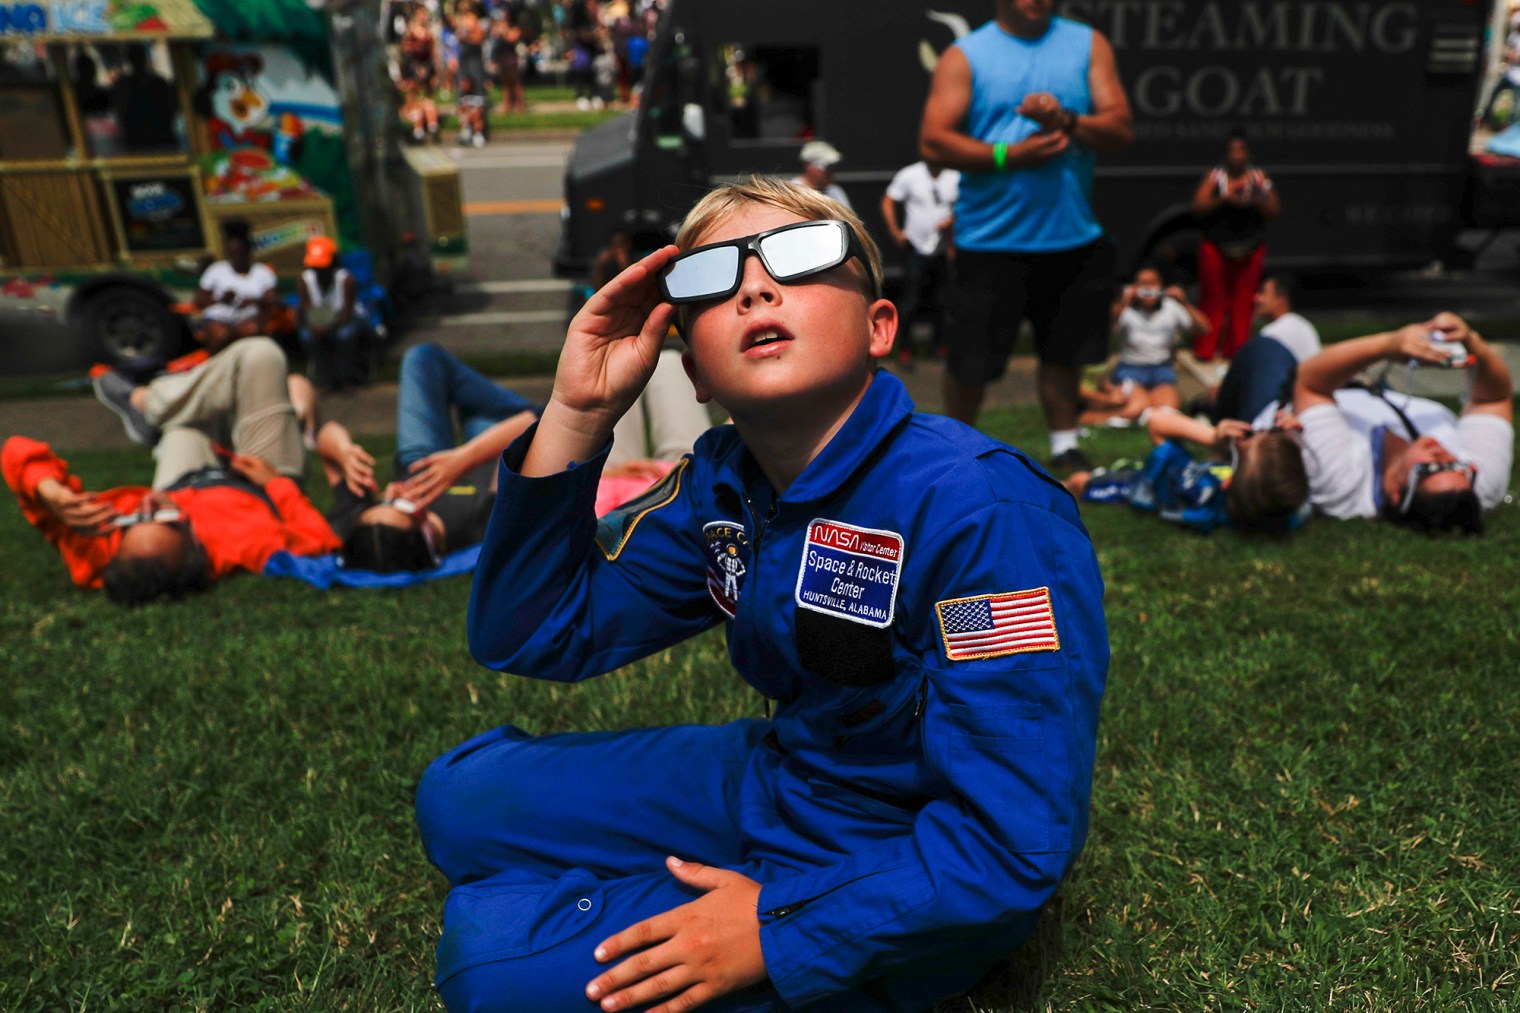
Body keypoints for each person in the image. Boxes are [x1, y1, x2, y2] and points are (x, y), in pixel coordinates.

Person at [416, 177, 1109, 1011]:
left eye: (803, 255)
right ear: (696, 371)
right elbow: (532, 630)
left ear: (879, 326)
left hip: (898, 855)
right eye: (711, 277)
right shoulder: (724, 482)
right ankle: (643, 886)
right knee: (458, 798)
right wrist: (576, 409)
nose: (755, 285)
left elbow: (1015, 839)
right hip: (783, 778)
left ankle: (613, 912)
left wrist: (776, 928)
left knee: (482, 969)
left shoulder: (984, 512)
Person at [919, 0, 1133, 474]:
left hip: (1072, 237)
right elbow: (933, 140)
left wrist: (1068, 122)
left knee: (1064, 354)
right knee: (971, 364)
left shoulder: (1087, 43)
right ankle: (959, 451)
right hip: (989, 241)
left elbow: (1120, 127)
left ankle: (1064, 444)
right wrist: (1007, 156)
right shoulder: (966, 55)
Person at [320, 342, 707, 571]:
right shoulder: (477, 527)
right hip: (512, 442)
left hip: (430, 454)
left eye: (387, 501)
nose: (398, 494)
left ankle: (488, 417)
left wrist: (344, 450)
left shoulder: (358, 522)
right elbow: (535, 426)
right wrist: (462, 460)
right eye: (405, 509)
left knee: (423, 358)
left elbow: (325, 437)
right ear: (427, 539)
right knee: (659, 363)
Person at [9, 339, 338, 605]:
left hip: (181, 477)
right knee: (262, 356)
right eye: (167, 519)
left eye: (133, 521)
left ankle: (151, 408)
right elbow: (320, 540)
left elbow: (14, 451)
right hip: (257, 480)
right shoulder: (249, 546)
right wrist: (277, 484)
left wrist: (50, 491)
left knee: (180, 429)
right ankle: (150, 404)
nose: (148, 506)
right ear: (196, 550)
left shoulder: (99, 544)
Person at [1291, 312, 1513, 533]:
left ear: (1396, 492)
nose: (1444, 455)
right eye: (1457, 466)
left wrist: (1388, 346)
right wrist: (1470, 342)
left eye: (1431, 468)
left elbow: (1309, 384)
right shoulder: (1475, 488)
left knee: (1288, 330)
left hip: (1304, 393)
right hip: (1380, 395)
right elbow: (1493, 399)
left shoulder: (1341, 485)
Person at [1079, 264, 1208, 427]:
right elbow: (1104, 331)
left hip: (1162, 370)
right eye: (1143, 284)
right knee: (1136, 409)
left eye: (1153, 283)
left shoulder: (1172, 307)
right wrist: (1123, 301)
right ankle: (1087, 418)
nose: (1149, 289)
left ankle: (1137, 411)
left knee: (1169, 410)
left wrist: (1185, 302)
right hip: (1131, 370)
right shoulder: (1126, 309)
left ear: (1161, 286)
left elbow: (1204, 329)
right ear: (1134, 287)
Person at [1190, 131, 1281, 362]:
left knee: (1244, 301)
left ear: (1248, 154)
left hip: (1249, 247)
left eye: (1241, 151)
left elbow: (1274, 210)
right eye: (1233, 151)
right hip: (1217, 246)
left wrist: (1255, 197)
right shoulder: (1215, 176)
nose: (1237, 155)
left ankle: (1237, 350)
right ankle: (1206, 349)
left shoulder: (1258, 177)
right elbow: (1198, 207)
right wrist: (1224, 197)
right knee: (1214, 298)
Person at [1201, 273, 1321, 425]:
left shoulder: (1271, 335)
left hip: (1282, 406)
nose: (1255, 298)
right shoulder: (1304, 326)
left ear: (1280, 300)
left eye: (1263, 293)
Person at [880, 159, 959, 362]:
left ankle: (939, 346)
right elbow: (888, 200)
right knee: (910, 300)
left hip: (941, 250)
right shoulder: (910, 174)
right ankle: (904, 348)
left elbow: (963, 206)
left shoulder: (954, 176)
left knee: (942, 300)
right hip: (915, 248)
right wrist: (896, 232)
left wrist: (953, 222)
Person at [296, 235, 370, 393]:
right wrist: (314, 326)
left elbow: (347, 315)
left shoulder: (346, 280)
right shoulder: (304, 281)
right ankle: (324, 380)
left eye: (322, 266)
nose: (318, 271)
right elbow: (307, 310)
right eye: (315, 267)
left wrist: (325, 328)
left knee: (345, 335)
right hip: (319, 323)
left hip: (345, 320)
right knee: (307, 336)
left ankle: (346, 378)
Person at [192, 220, 280, 352]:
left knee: (251, 332)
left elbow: (273, 299)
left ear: (248, 252)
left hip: (247, 318)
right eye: (233, 254)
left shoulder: (262, 272)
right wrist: (222, 299)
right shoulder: (216, 270)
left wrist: (254, 300)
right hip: (218, 317)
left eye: (240, 253)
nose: (236, 258)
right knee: (220, 334)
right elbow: (198, 301)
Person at [111, 43, 179, 152]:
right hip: (141, 141)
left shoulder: (158, 82)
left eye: (139, 56)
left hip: (158, 140)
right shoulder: (158, 82)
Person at [452, 0, 490, 146]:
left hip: (474, 61)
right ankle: (466, 128)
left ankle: (478, 131)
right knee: (464, 97)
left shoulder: (477, 21)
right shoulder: (460, 20)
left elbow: (479, 38)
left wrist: (467, 36)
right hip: (464, 61)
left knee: (478, 97)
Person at [790, 139, 851, 209]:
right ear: (809, 166)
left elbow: (849, 218)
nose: (831, 172)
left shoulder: (836, 192)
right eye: (827, 167)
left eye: (833, 167)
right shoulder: (792, 192)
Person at [489, 5, 525, 115]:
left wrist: (503, 31)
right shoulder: (498, 26)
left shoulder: (514, 27)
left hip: (511, 56)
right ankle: (508, 103)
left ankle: (519, 103)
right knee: (505, 82)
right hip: (502, 56)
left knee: (514, 81)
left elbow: (512, 39)